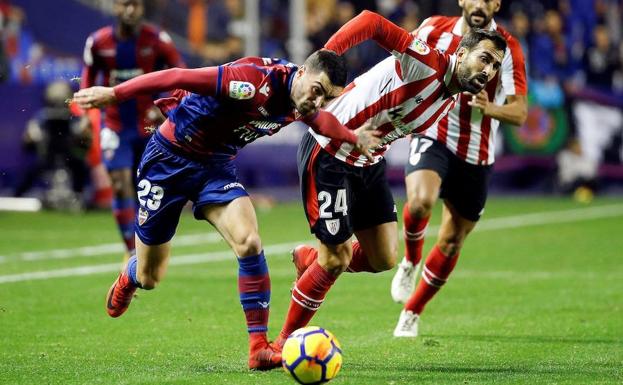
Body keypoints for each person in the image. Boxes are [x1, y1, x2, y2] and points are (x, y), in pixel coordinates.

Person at [73, 50, 380, 370]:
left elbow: (319, 119)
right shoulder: (250, 82)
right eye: (317, 91)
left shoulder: (303, 100)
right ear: (302, 72)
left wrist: (351, 137)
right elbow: (176, 76)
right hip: (167, 162)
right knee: (152, 277)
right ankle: (131, 275)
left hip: (215, 168)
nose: (317, 102)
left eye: (327, 98)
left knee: (248, 241)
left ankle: (258, 348)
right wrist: (114, 93)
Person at [270, 10, 508, 349]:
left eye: (495, 65)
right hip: (330, 152)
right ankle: (281, 344)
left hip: (368, 160)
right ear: (461, 54)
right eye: (484, 59)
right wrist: (328, 56)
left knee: (383, 258)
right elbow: (371, 22)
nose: (488, 71)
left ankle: (311, 260)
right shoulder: (425, 61)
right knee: (336, 259)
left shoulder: (449, 98)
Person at [390, 0, 528, 338]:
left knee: (452, 241)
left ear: (497, 4)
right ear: (462, 0)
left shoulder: (508, 48)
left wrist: (490, 108)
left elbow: (521, 113)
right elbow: (400, 64)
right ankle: (410, 261)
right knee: (421, 201)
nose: (480, 4)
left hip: (476, 154)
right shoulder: (433, 29)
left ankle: (412, 311)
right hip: (433, 133)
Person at [78, 0, 184, 255]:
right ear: (115, 7)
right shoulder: (98, 42)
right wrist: (84, 114)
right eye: (125, 4)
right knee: (119, 183)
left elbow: (181, 74)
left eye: (135, 5)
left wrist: (163, 105)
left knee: (150, 188)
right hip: (115, 126)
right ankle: (131, 251)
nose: (130, 10)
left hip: (149, 128)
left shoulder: (158, 39)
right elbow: (88, 77)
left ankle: (150, 244)